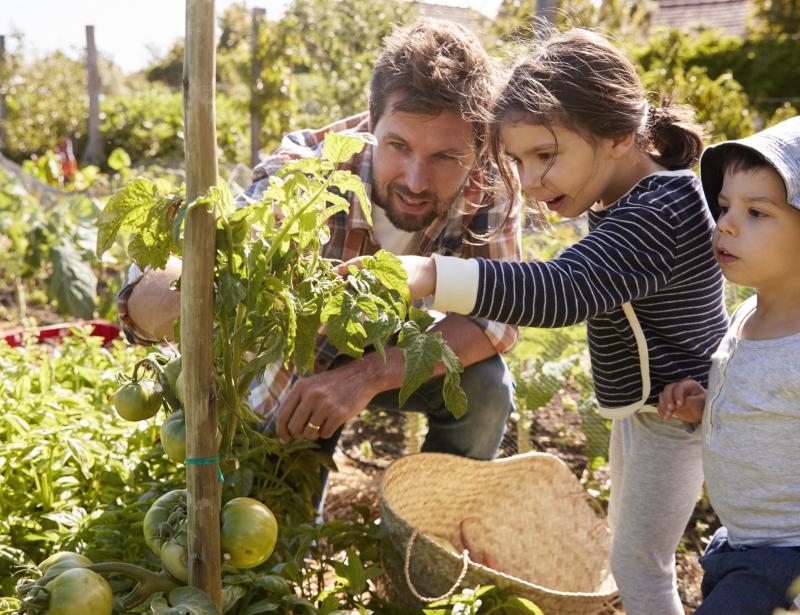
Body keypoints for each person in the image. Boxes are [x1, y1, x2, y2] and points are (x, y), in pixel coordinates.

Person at [364, 29, 730, 615]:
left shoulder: (659, 211)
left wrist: (432, 275)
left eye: (545, 156)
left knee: (644, 562)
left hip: (677, 416)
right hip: (656, 410)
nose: (530, 182)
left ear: (618, 135)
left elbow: (559, 291)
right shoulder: (633, 200)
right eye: (517, 160)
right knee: (648, 556)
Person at [117, 21, 521, 509]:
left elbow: (494, 318)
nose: (416, 179)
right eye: (398, 146)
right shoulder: (308, 173)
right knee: (275, 530)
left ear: (478, 148)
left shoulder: (491, 183)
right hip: (300, 366)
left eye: (445, 157)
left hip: (391, 347)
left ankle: (428, 536)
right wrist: (181, 292)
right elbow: (151, 297)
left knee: (485, 388)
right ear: (370, 122)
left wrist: (365, 376)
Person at [657, 116, 800, 615]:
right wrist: (707, 406)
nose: (727, 224)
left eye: (757, 212)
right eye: (724, 206)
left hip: (786, 562)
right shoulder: (745, 315)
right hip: (736, 544)